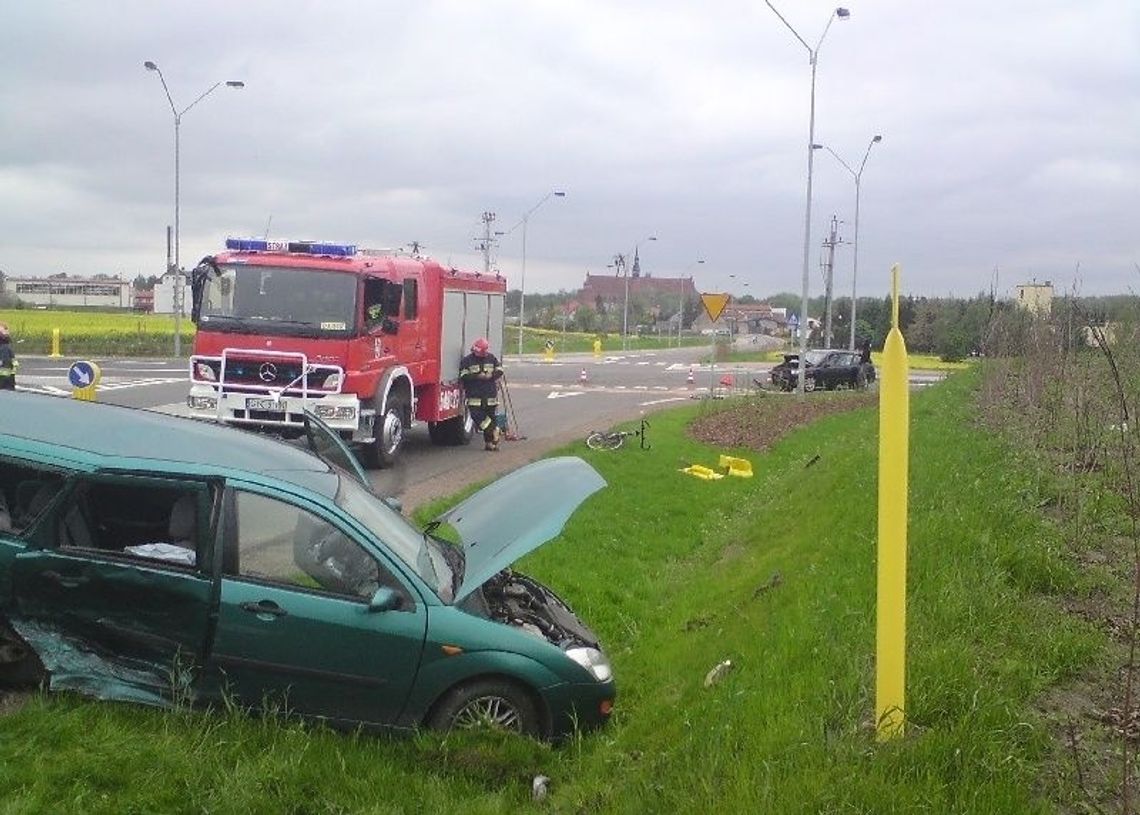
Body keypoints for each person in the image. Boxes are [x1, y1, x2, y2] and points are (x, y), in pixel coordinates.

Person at [460, 337, 504, 451]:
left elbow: (500, 370)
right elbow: (463, 375)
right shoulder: (467, 360)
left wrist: (492, 375)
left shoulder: (491, 358)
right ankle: (494, 429)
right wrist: (476, 376)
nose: (476, 354)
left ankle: (490, 444)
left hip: (490, 395)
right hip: (475, 396)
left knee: (491, 417)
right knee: (477, 417)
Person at [0, 324, 17, 391]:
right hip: (8, 381)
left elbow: (4, 364)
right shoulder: (7, 348)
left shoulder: (4, 349)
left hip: (3, 383)